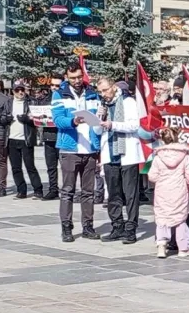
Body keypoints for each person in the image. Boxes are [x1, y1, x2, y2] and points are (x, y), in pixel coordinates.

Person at [53, 62, 102, 242]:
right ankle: (66, 227)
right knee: (67, 190)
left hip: (89, 149)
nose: (77, 81)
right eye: (73, 78)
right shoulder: (59, 94)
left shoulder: (92, 94)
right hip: (69, 148)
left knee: (88, 191)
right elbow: (57, 120)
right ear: (67, 77)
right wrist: (73, 122)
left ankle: (88, 226)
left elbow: (98, 118)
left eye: (79, 77)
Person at [94, 78, 145, 244]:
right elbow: (96, 128)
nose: (103, 94)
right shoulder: (102, 105)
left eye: (105, 90)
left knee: (130, 194)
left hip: (127, 153)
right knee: (113, 193)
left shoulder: (128, 102)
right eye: (100, 91)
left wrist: (112, 124)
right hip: (110, 154)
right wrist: (99, 116)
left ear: (114, 87)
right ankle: (117, 226)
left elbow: (134, 125)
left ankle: (131, 228)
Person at [148, 127, 189, 258]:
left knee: (162, 218)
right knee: (180, 219)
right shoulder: (185, 156)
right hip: (179, 190)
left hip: (162, 191)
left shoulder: (158, 157)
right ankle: (183, 249)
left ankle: (161, 247)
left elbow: (152, 176)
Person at [8, 80, 43, 199]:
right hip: (11, 138)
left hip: (26, 139)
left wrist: (28, 119)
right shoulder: (8, 102)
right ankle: (21, 190)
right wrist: (5, 118)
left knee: (30, 166)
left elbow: (39, 118)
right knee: (15, 167)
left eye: (22, 89)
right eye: (17, 90)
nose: (20, 92)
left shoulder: (31, 101)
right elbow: (1, 116)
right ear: (13, 91)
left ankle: (38, 189)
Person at [35, 74, 63, 200]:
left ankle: (68, 190)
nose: (54, 88)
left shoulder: (65, 98)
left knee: (66, 167)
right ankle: (53, 189)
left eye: (57, 85)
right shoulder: (46, 99)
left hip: (62, 137)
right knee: (51, 166)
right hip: (48, 137)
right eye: (52, 85)